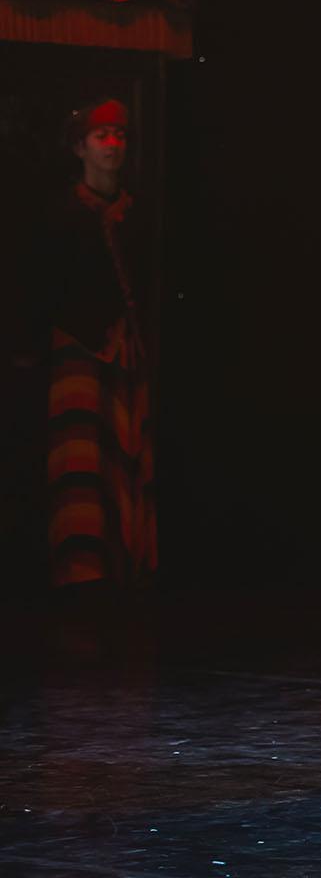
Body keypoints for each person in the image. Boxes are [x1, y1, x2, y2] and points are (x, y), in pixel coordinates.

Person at [44, 98, 157, 589]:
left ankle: (127, 561)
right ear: (80, 148)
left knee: (126, 455)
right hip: (79, 347)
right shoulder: (65, 213)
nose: (112, 145)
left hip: (124, 349)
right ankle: (81, 571)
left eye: (119, 135)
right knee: (82, 462)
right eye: (101, 136)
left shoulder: (135, 213)